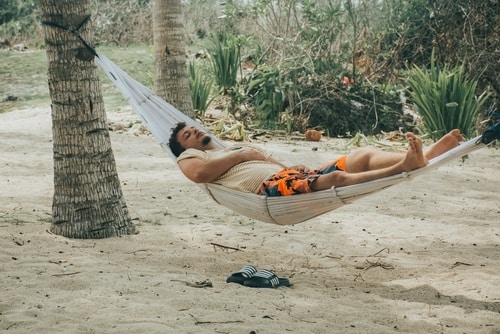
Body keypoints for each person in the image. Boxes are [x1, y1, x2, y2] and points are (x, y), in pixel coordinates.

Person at [168, 122, 464, 196]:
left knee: (360, 155)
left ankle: (421, 156)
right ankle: (404, 166)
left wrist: (288, 168)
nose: (194, 133)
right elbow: (198, 175)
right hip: (269, 189)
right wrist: (246, 154)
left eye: (194, 129)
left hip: (290, 176)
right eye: (187, 135)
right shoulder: (192, 157)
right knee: (335, 180)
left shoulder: (223, 149)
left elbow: (276, 169)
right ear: (184, 148)